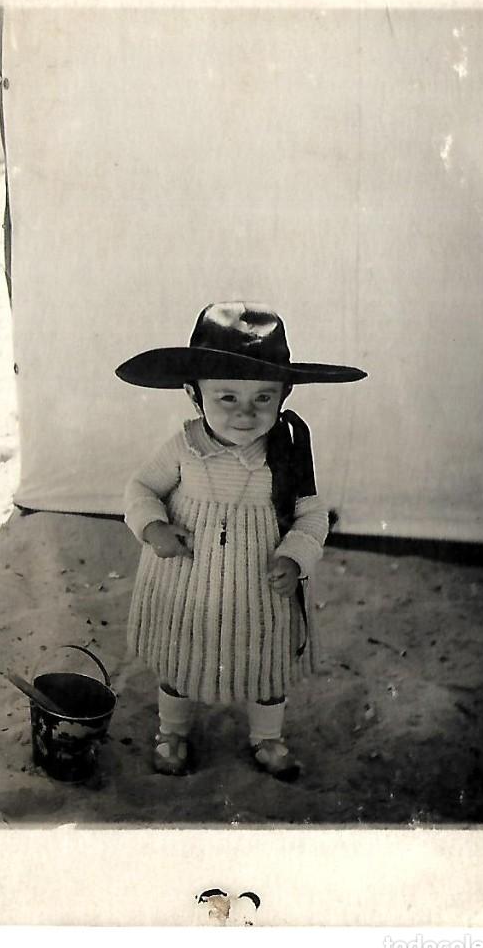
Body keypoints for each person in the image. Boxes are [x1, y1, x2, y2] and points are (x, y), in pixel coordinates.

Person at [115, 302, 366, 781]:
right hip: (186, 577)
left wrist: (295, 557)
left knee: (267, 661)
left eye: (262, 399)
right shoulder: (184, 446)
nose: (246, 414)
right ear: (194, 394)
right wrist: (153, 528)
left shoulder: (288, 452)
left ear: (284, 394)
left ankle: (267, 737)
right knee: (180, 655)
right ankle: (173, 731)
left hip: (260, 584)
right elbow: (140, 489)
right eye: (227, 397)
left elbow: (311, 515)